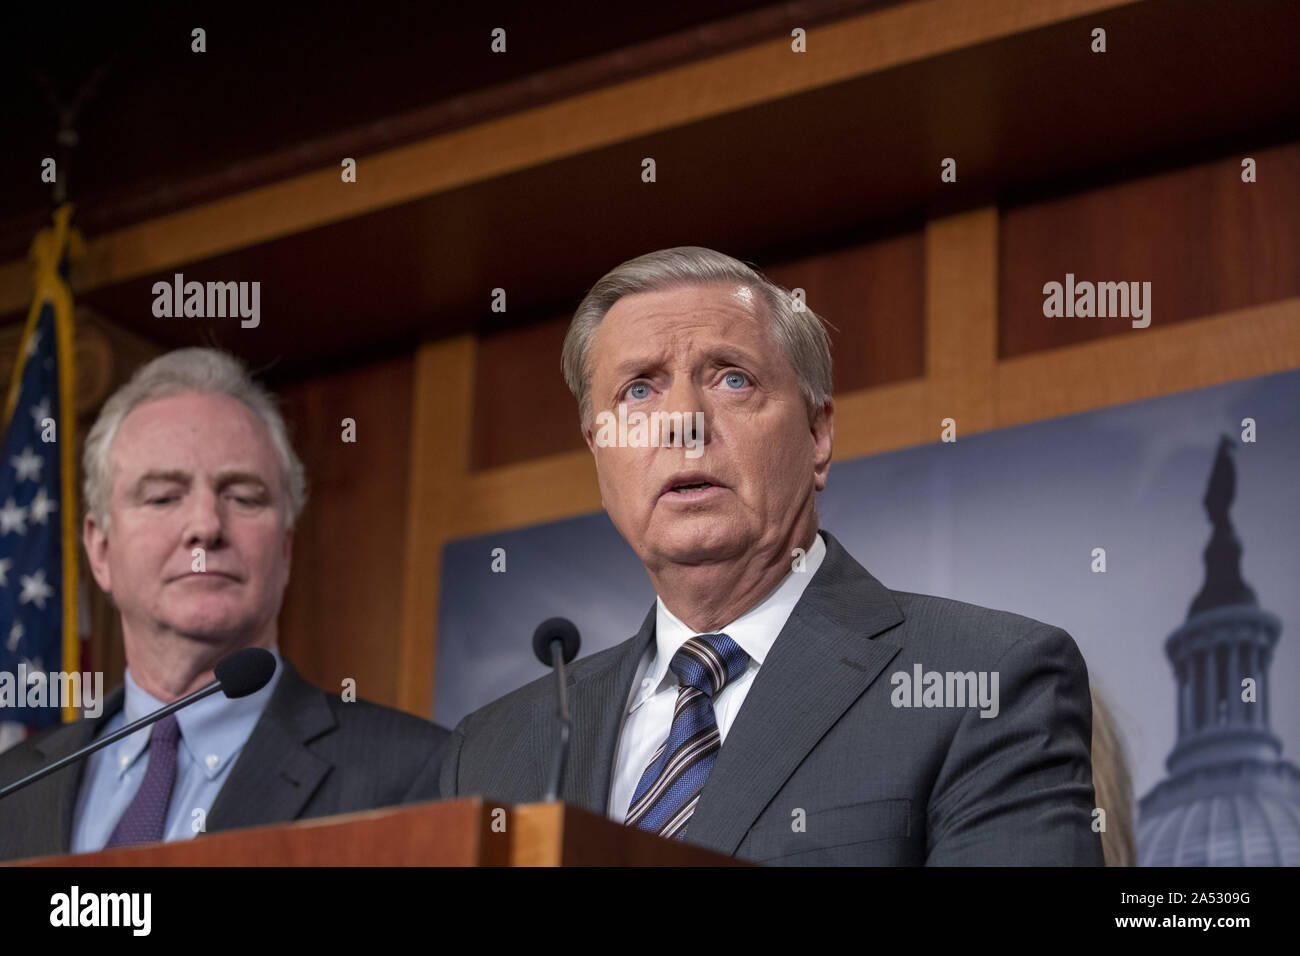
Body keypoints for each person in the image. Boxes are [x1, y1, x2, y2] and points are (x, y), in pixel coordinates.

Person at [440, 246, 1105, 865]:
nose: (681, 422)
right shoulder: (493, 753)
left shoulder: (986, 679)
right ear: (599, 450)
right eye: (638, 390)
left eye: (732, 379)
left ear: (818, 435)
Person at [0, 348, 446, 862]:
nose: (206, 526)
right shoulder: (15, 785)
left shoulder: (416, 773)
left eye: (243, 497)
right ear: (100, 551)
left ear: (284, 548)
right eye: (164, 496)